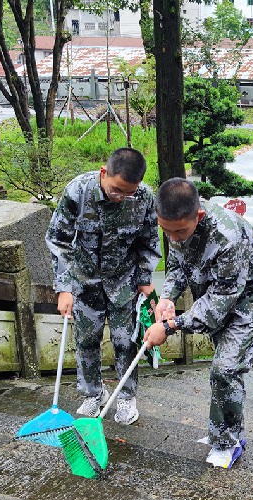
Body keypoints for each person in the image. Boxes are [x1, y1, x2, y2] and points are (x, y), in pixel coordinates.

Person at [143, 178, 253, 469]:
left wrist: (169, 326)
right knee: (223, 369)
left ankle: (230, 441)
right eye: (167, 231)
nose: (173, 237)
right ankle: (223, 430)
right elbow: (177, 264)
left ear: (198, 216)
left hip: (249, 297)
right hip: (213, 293)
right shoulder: (175, 224)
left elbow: (217, 305)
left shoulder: (228, 236)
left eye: (180, 231)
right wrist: (167, 296)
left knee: (226, 369)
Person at [45, 148, 160, 425]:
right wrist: (64, 288)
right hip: (84, 280)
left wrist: (145, 280)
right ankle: (93, 394)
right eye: (116, 190)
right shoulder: (77, 192)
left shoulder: (143, 197)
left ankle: (126, 396)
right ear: (103, 173)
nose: (121, 197)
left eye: (127, 193)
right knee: (86, 340)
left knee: (125, 341)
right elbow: (59, 240)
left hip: (123, 281)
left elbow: (149, 240)